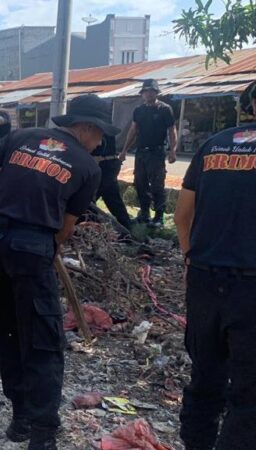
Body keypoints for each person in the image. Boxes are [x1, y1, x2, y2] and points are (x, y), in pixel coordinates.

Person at [0, 94, 110, 450]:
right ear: (87, 128)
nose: (101, 142)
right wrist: (46, 244)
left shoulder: (21, 136)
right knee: (45, 339)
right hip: (32, 246)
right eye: (101, 135)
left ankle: (21, 419)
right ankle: (44, 432)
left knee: (8, 329)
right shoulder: (88, 167)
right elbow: (66, 227)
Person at [174, 83, 256, 450]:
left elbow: (181, 216)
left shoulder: (213, 145)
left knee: (205, 377)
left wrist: (191, 259)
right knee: (248, 392)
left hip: (205, 278)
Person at [120, 79, 177, 228]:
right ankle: (144, 214)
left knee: (157, 185)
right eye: (145, 91)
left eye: (151, 91)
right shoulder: (139, 110)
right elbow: (133, 130)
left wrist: (173, 150)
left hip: (157, 152)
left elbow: (172, 130)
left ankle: (159, 218)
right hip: (141, 152)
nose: (148, 94)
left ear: (156, 93)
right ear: (142, 94)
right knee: (140, 184)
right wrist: (124, 150)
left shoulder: (165, 109)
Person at [92, 134, 132, 230]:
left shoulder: (94, 126)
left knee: (88, 201)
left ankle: (91, 227)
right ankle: (127, 228)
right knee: (112, 198)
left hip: (103, 163)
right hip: (107, 163)